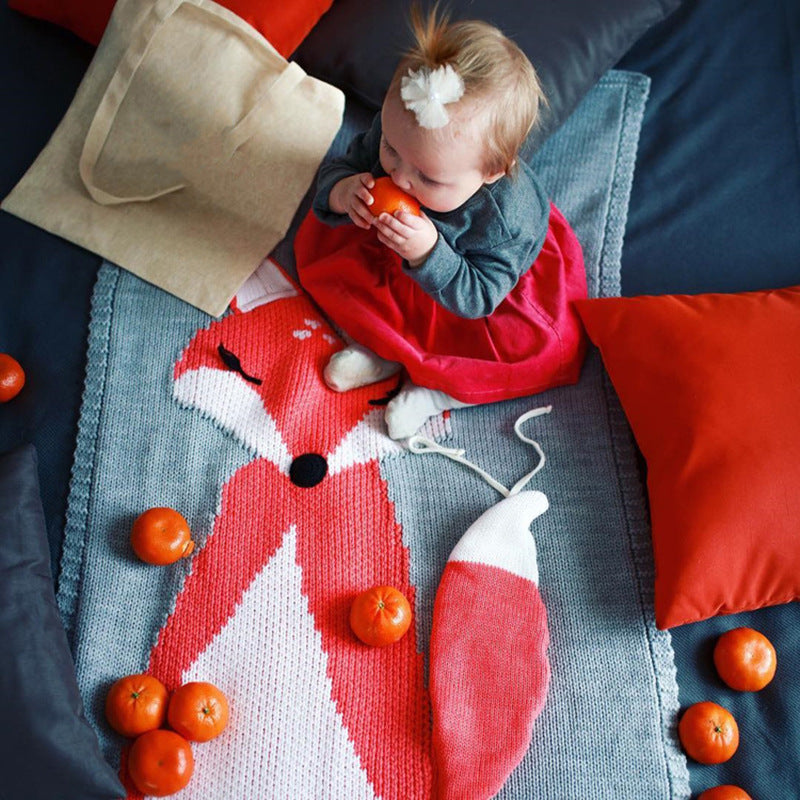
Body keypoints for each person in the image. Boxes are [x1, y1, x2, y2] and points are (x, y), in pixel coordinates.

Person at [294, 5, 588, 439]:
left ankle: (434, 392)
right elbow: (348, 162)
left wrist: (429, 252)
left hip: (472, 284)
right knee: (343, 261)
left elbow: (480, 296)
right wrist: (343, 193)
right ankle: (382, 351)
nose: (398, 178)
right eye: (391, 150)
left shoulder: (505, 219)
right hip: (397, 266)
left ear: (491, 171)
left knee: (524, 354)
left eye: (427, 177)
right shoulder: (401, 136)